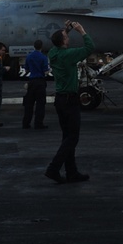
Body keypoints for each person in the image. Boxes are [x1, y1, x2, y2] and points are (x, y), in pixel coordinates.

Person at [45, 21, 94, 183]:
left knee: (67, 137)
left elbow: (58, 39)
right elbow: (89, 48)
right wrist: (82, 31)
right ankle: (53, 168)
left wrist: (67, 29)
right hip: (69, 100)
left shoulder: (53, 53)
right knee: (73, 137)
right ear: (63, 41)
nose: (68, 38)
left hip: (60, 99)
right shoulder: (68, 55)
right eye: (66, 37)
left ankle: (71, 172)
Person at [21, 39, 50, 129]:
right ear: (41, 46)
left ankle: (26, 123)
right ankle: (38, 123)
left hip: (32, 82)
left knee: (29, 104)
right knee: (40, 104)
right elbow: (45, 72)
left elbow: (26, 70)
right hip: (40, 82)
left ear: (34, 46)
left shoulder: (29, 56)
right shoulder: (43, 57)